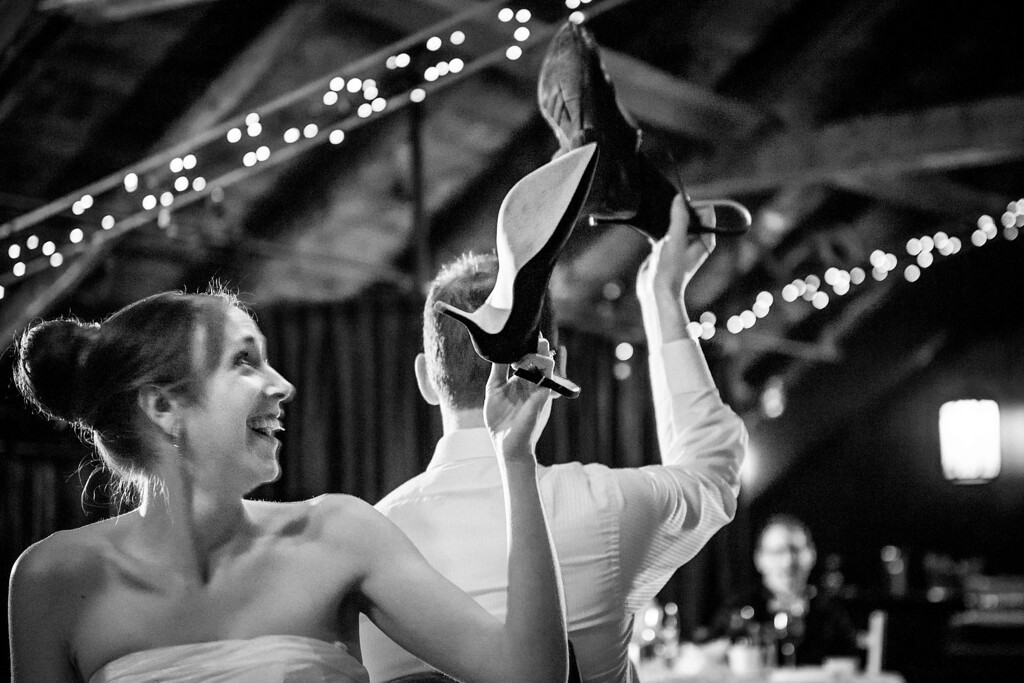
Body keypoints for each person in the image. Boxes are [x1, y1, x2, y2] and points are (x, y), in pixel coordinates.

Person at [8, 288, 570, 682]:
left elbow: (528, 675)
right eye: (244, 362)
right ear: (163, 406)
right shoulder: (50, 579)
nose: (282, 385)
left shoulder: (341, 532)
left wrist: (514, 457)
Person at [359, 192, 749, 682]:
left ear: (426, 379)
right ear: (555, 368)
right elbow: (714, 473)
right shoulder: (603, 506)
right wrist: (662, 294)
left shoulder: (369, 541)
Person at [703, 514, 859, 667]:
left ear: (812, 555)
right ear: (759, 559)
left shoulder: (830, 612)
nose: (788, 562)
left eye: (796, 550)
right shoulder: (738, 609)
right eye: (778, 552)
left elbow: (851, 663)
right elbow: (706, 658)